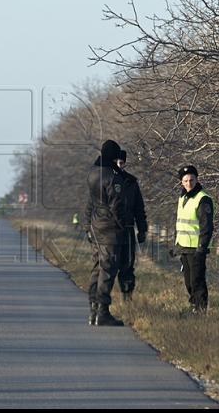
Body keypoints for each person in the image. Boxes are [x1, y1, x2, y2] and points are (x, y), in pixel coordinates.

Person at [83, 139, 128, 326]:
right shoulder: (112, 177)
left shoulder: (92, 172)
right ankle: (102, 311)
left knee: (97, 266)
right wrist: (123, 225)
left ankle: (93, 308)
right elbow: (116, 205)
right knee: (108, 269)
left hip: (95, 223)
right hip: (109, 227)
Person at [174, 165, 214, 313]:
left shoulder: (203, 199)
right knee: (189, 282)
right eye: (185, 181)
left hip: (196, 248)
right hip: (184, 246)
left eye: (191, 180)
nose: (188, 183)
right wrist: (176, 245)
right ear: (181, 182)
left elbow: (206, 227)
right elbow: (180, 222)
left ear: (197, 180)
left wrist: (201, 249)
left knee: (197, 281)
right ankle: (193, 306)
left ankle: (200, 309)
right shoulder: (182, 197)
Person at [115, 150, 147, 301]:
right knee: (108, 265)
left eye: (121, 163)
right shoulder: (106, 180)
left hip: (127, 230)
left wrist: (142, 230)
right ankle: (103, 299)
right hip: (110, 231)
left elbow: (139, 209)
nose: (119, 165)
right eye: (116, 162)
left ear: (125, 163)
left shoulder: (131, 183)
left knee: (127, 265)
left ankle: (127, 296)